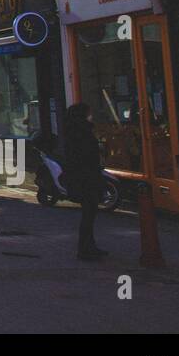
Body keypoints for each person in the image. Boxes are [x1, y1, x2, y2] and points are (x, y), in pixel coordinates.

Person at [62, 102, 108, 261]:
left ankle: (89, 246)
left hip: (82, 177)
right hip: (86, 178)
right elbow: (86, 156)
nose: (91, 115)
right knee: (89, 213)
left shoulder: (73, 131)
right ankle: (85, 248)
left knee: (89, 213)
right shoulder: (82, 132)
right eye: (89, 113)